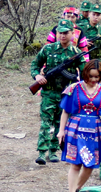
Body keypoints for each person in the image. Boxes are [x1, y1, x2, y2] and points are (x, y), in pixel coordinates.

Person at [58, 62, 101, 192]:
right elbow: (65, 111)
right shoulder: (74, 89)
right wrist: (61, 131)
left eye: (97, 76)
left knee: (90, 165)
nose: (93, 80)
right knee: (75, 164)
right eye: (91, 76)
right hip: (75, 129)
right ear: (85, 74)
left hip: (95, 131)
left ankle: (76, 190)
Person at [30, 22, 83, 165]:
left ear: (72, 34)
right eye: (60, 32)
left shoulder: (76, 53)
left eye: (66, 32)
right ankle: (42, 152)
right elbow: (35, 65)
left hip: (66, 95)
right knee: (46, 123)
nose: (63, 35)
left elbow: (85, 72)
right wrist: (37, 77)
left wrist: (79, 80)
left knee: (60, 123)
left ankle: (53, 151)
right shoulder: (48, 49)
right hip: (48, 93)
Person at [77, 1, 101, 75]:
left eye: (98, 15)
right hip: (82, 62)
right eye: (93, 14)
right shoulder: (80, 29)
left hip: (97, 62)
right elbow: (72, 45)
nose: (95, 17)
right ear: (89, 14)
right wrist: (83, 44)